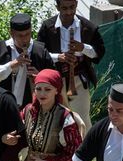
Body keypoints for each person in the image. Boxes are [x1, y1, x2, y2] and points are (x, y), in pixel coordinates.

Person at [38, 0, 105, 132]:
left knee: (82, 119)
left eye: (72, 7)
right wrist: (59, 57)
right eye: (64, 8)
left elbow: (99, 52)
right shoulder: (47, 27)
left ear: (76, 4)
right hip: (55, 81)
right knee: (56, 120)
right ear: (57, 7)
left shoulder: (88, 27)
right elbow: (40, 53)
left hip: (79, 79)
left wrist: (83, 47)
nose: (68, 12)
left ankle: (85, 151)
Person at [0, 14, 55, 109]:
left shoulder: (40, 50)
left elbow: (55, 79)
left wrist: (40, 77)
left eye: (28, 34)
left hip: (34, 107)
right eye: (20, 35)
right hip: (4, 105)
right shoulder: (1, 49)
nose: (25, 39)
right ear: (11, 33)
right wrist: (12, 65)